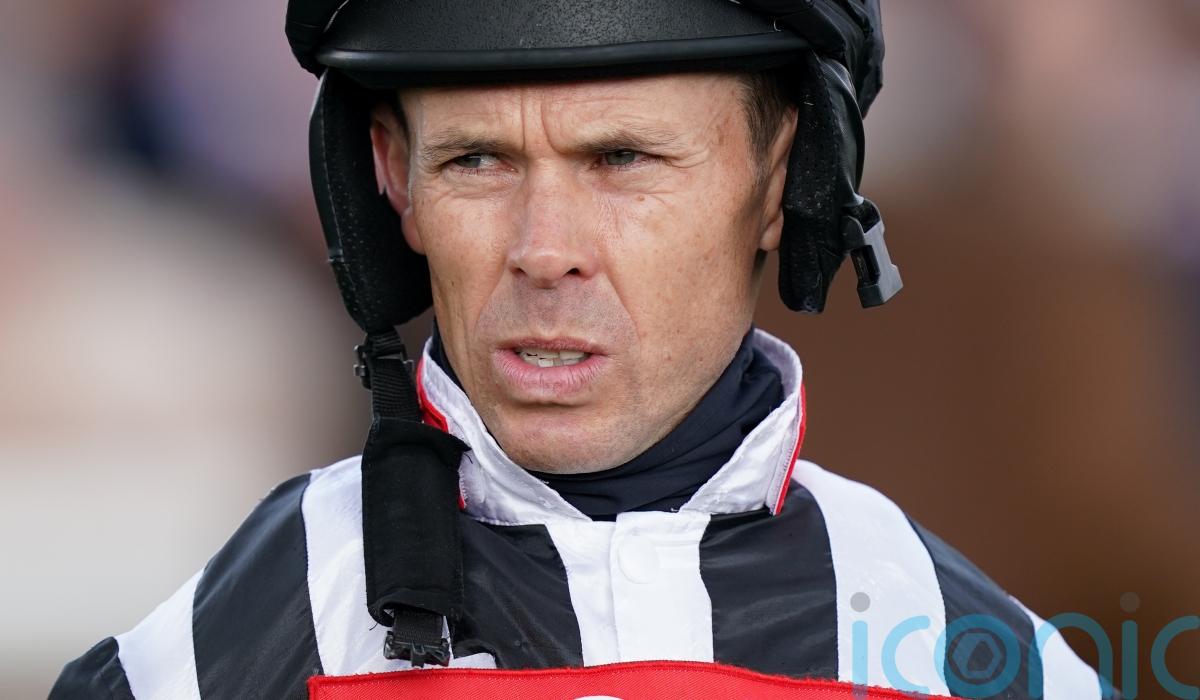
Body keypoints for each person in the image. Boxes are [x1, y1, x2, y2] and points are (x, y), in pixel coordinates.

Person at [52, 1, 1115, 698]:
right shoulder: (200, 659)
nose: (544, 249)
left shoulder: (982, 657)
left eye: (621, 158)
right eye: (477, 161)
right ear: (393, 179)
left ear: (781, 181)